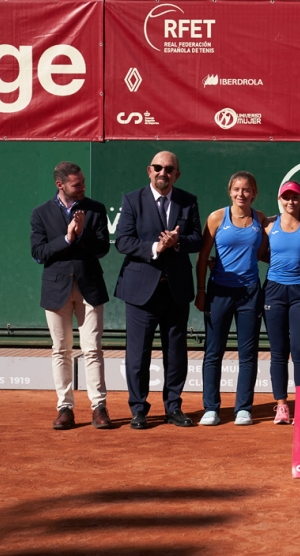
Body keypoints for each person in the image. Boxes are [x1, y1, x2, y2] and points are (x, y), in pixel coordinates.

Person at [115, 151, 202, 429]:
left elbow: (197, 239)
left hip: (176, 290)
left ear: (177, 174)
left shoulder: (188, 201)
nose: (162, 172)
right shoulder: (132, 200)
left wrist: (177, 242)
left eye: (169, 169)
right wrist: (156, 247)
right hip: (141, 290)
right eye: (157, 167)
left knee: (176, 352)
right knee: (138, 353)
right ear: (149, 170)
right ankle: (138, 409)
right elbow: (123, 242)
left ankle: (173, 407)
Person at [30, 161, 112, 430]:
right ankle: (65, 408)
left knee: (93, 349)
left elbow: (102, 249)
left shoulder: (96, 209)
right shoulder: (40, 213)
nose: (82, 188)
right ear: (60, 185)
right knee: (61, 350)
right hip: (56, 289)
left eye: (83, 183)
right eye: (77, 184)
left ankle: (99, 407)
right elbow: (39, 252)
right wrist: (66, 238)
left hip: (90, 287)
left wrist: (82, 232)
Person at [194, 172, 265, 426]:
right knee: (213, 352)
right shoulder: (216, 218)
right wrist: (201, 291)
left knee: (248, 353)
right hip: (219, 293)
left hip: (250, 293)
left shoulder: (260, 219)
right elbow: (203, 257)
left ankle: (243, 408)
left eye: (246, 189)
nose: (241, 194)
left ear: (254, 192)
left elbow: (265, 251)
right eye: (236, 189)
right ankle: (211, 408)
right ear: (230, 191)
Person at [262, 181, 300, 425]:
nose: (290, 201)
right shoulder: (268, 225)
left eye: (294, 197)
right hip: (273, 290)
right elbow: (258, 252)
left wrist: (296, 268)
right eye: (286, 197)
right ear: (280, 199)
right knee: (278, 352)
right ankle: (282, 406)